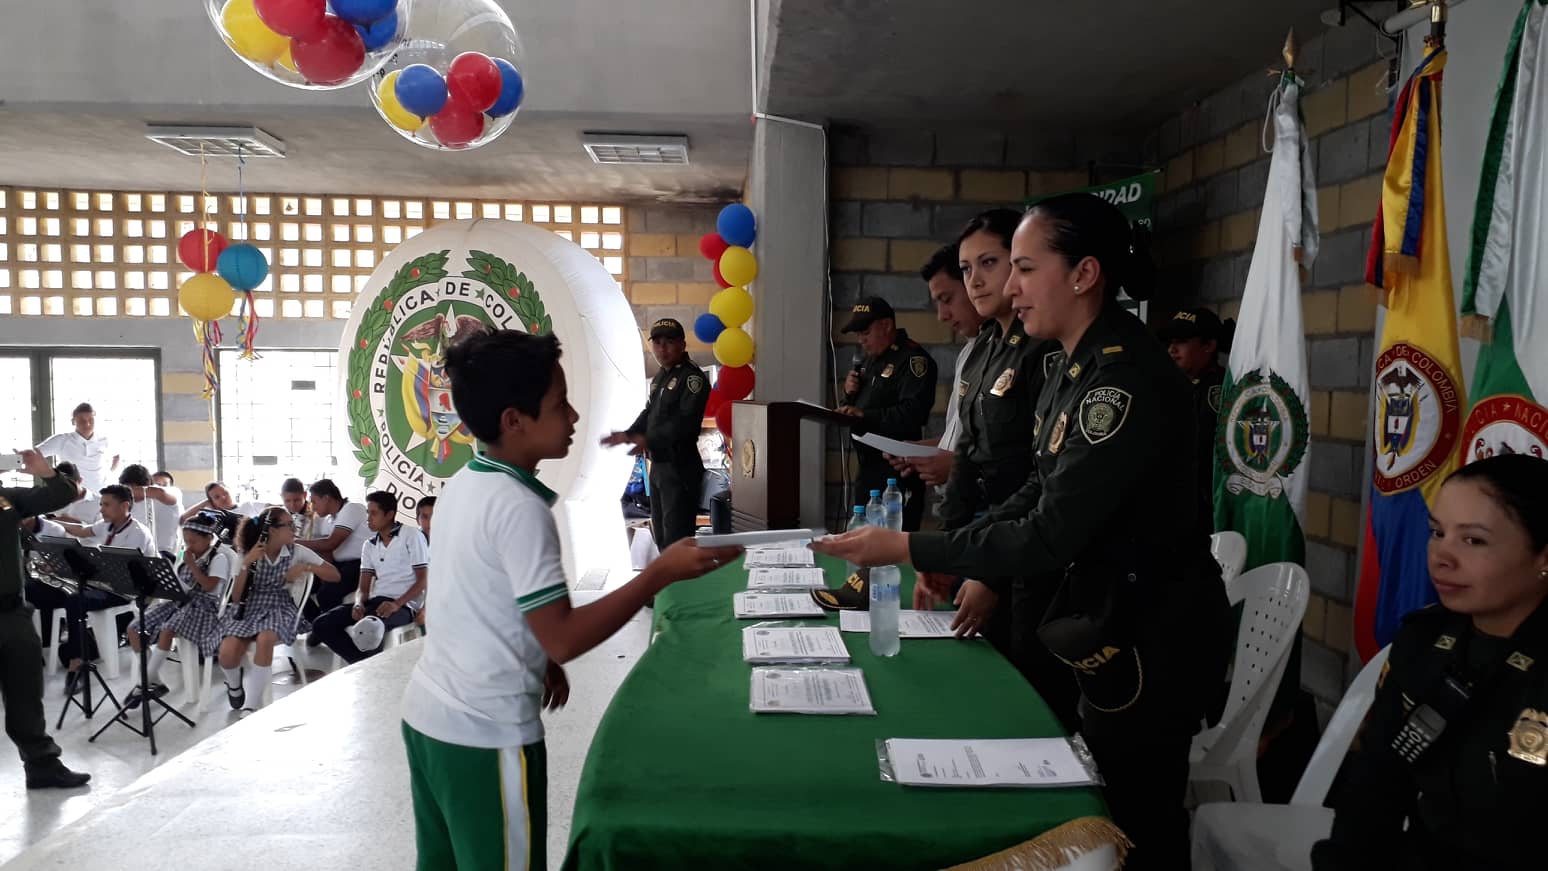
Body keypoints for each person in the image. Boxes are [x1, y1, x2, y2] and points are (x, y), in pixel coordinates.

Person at [814, 194, 1232, 870]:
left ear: (1084, 273)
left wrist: (909, 545)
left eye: (1024, 268)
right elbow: (1038, 487)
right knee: (1103, 806)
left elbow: (1050, 531)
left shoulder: (1119, 378)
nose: (1007, 286)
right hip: (1107, 617)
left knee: (1136, 819)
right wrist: (952, 549)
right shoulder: (1076, 363)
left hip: (1153, 630)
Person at [400, 329, 741, 871]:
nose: (575, 416)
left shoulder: (466, 481)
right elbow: (563, 633)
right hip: (486, 738)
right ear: (514, 421)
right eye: (559, 405)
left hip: (428, 717)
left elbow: (477, 601)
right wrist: (657, 574)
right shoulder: (519, 507)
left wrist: (537, 658)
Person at [1311, 454, 1548, 870]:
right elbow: (1375, 790)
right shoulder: (1423, 641)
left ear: (1543, 556)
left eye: (1473, 540)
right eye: (1437, 532)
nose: (1441, 556)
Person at [922, 209, 1075, 729]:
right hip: (989, 541)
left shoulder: (1044, 349)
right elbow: (967, 457)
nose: (977, 280)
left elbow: (1043, 478)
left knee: (1028, 702)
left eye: (990, 262)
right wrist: (947, 546)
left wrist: (986, 566)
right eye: (966, 269)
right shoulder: (988, 345)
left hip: (1028, 557)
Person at [0, 448, 91, 788]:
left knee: (26, 690)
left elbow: (62, 494)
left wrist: (44, 471)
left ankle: (41, 764)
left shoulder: (6, 499)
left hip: (11, 613)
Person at [600, 318, 711, 549]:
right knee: (660, 536)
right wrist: (630, 434)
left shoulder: (692, 379)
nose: (662, 348)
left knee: (676, 540)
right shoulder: (662, 376)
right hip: (659, 466)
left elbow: (684, 423)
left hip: (680, 468)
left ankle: (680, 585)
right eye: (657, 343)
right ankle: (669, 584)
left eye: (669, 342)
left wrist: (648, 439)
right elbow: (650, 411)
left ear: (682, 344)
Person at [883, 244, 984, 492]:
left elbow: (1010, 451)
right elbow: (960, 436)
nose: (942, 315)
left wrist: (959, 465)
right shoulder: (969, 352)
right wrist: (918, 451)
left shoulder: (1011, 353)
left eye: (947, 299)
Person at [217, 506, 339, 712]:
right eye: (288, 525)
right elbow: (237, 597)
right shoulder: (248, 551)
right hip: (249, 606)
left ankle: (251, 707)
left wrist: (306, 567)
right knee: (227, 653)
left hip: (280, 606)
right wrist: (246, 564)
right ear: (272, 530)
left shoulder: (296, 551)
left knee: (265, 639)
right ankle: (234, 685)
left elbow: (335, 575)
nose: (295, 528)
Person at [836, 296, 939, 531]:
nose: (861, 340)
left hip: (897, 471)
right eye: (858, 334)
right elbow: (856, 409)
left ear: (886, 325)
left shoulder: (913, 360)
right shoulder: (871, 361)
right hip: (868, 469)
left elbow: (912, 413)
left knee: (893, 545)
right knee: (863, 541)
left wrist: (865, 416)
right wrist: (848, 395)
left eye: (865, 332)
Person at [122, 510, 236, 709]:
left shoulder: (219, 558)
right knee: (134, 628)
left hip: (203, 606)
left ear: (209, 539)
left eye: (193, 542)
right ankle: (154, 681)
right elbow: (179, 581)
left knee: (167, 630)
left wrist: (192, 566)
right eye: (186, 541)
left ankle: (143, 683)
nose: (188, 546)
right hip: (179, 601)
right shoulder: (186, 555)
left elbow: (210, 587)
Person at [310, 490, 428, 664]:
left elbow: (423, 579)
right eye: (368, 513)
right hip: (376, 602)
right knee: (321, 623)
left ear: (389, 515)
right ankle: (362, 665)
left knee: (371, 627)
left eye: (374, 513)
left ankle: (365, 666)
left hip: (404, 606)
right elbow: (363, 588)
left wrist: (396, 604)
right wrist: (358, 603)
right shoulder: (369, 545)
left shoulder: (411, 535)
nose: (368, 519)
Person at [1157, 307, 1234, 540]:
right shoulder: (1176, 385)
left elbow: (1198, 451)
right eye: (1170, 342)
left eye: (1181, 342)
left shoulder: (1216, 390)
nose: (1172, 350)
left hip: (1201, 512)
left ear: (1209, 346)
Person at [298, 479, 371, 624]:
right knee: (300, 585)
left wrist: (294, 543)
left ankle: (332, 627)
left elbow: (330, 544)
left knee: (327, 594)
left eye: (314, 501)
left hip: (361, 565)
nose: (313, 507)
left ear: (326, 498)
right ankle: (318, 624)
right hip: (340, 564)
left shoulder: (351, 509)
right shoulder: (328, 520)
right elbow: (325, 551)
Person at [36, 402, 118, 524]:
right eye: (82, 420)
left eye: (91, 419)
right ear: (73, 421)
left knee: (99, 533)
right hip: (70, 496)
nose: (87, 424)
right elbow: (34, 454)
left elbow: (116, 456)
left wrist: (109, 473)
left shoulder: (104, 440)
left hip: (99, 497)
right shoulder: (62, 440)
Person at [119, 464, 182, 562]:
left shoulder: (170, 492)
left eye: (132, 487)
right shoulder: (128, 504)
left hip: (163, 554)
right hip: (136, 552)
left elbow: (160, 492)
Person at [150, 471, 185, 560]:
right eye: (156, 484)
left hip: (168, 550)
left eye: (164, 485)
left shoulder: (174, 494)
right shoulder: (146, 501)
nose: (160, 487)